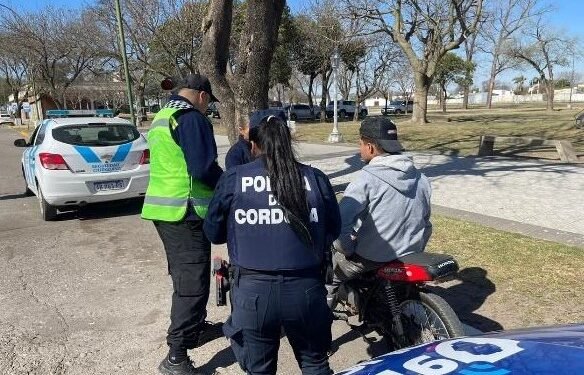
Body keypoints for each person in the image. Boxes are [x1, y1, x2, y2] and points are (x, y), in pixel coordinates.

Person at [204, 115, 341, 375]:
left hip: (253, 295)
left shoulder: (234, 179)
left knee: (260, 370)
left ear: (253, 144)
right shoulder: (315, 178)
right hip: (306, 291)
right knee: (315, 364)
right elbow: (332, 229)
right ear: (288, 142)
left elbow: (213, 233)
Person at [141, 74, 224, 375]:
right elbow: (203, 168)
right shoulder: (191, 118)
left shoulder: (163, 116)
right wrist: (231, 185)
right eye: (208, 103)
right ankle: (176, 355)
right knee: (191, 284)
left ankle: (195, 328)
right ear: (202, 96)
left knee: (187, 274)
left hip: (166, 210)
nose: (208, 109)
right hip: (185, 210)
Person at [326, 117, 432, 309]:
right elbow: (426, 222)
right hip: (411, 251)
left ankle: (321, 325)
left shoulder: (366, 179)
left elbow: (341, 224)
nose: (360, 149)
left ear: (371, 147)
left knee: (330, 277)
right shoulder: (421, 177)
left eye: (360, 144)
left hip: (372, 257)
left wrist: (348, 249)